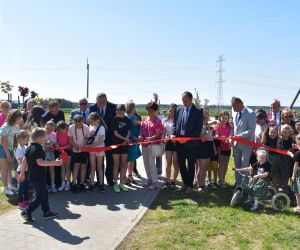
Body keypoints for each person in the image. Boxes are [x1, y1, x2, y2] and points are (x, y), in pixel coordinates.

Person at [19, 128, 62, 223]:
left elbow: (24, 161)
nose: (46, 138)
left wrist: (22, 173)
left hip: (33, 176)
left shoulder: (30, 147)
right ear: (40, 137)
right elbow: (40, 162)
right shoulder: (38, 149)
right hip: (37, 177)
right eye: (45, 136)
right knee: (40, 196)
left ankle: (46, 212)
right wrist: (55, 163)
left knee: (44, 194)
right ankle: (26, 211)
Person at [172, 91, 203, 194]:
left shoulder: (198, 111)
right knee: (181, 163)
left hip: (191, 143)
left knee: (191, 164)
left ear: (191, 100)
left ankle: (189, 185)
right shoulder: (179, 110)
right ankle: (185, 183)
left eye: (186, 101)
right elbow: (175, 124)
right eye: (183, 100)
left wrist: (188, 138)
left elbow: (197, 129)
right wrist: (173, 134)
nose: (184, 102)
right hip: (179, 141)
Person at [89, 93, 116, 186]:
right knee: (98, 162)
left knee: (109, 159)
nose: (100, 104)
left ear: (106, 100)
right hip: (96, 140)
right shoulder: (92, 108)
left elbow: (114, 123)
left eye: (103, 102)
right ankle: (99, 181)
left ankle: (109, 179)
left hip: (109, 138)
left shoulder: (113, 107)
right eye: (99, 102)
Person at [231, 97, 256, 186]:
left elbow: (251, 129)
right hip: (236, 144)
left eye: (234, 106)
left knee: (244, 166)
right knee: (237, 166)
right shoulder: (235, 113)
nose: (233, 109)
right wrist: (231, 138)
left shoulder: (251, 113)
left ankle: (244, 187)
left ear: (239, 104)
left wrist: (238, 137)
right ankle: (238, 185)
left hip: (246, 144)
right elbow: (233, 127)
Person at [140, 102, 164, 189]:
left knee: (151, 163)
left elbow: (158, 134)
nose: (150, 112)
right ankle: (149, 179)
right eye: (148, 110)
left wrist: (151, 138)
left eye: (152, 111)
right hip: (144, 145)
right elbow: (141, 131)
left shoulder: (158, 121)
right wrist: (140, 137)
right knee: (145, 162)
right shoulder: (144, 120)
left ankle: (155, 181)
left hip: (153, 145)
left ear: (156, 110)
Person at [0, 109, 23, 195]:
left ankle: (9, 185)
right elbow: (3, 142)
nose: (21, 119)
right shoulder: (5, 127)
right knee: (4, 169)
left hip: (10, 148)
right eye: (19, 117)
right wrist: (7, 153)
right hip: (3, 148)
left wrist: (15, 148)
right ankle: (5, 188)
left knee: (9, 167)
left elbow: (15, 138)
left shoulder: (16, 125)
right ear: (15, 118)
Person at [111, 104, 131, 193]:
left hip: (125, 146)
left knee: (123, 164)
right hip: (116, 145)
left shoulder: (128, 120)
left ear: (124, 111)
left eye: (122, 111)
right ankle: (115, 184)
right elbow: (115, 133)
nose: (121, 112)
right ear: (117, 111)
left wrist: (126, 139)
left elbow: (129, 131)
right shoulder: (115, 119)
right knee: (116, 165)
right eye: (119, 111)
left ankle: (121, 183)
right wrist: (125, 139)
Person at [85, 112, 107, 192]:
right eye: (90, 121)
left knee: (99, 167)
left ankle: (101, 184)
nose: (90, 123)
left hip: (99, 148)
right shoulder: (90, 126)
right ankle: (91, 184)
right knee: (92, 166)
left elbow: (100, 141)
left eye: (91, 121)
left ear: (97, 120)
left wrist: (89, 146)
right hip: (92, 150)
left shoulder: (101, 128)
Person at [68, 115, 90, 192]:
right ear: (74, 122)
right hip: (75, 150)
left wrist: (84, 145)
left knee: (83, 167)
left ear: (82, 121)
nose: (78, 125)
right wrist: (75, 145)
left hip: (84, 150)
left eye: (79, 123)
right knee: (76, 166)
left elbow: (87, 137)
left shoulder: (86, 127)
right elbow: (70, 139)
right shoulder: (71, 127)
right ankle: (74, 184)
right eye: (76, 123)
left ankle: (81, 183)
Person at [196, 109, 215, 191]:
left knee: (205, 168)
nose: (207, 114)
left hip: (209, 146)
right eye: (205, 113)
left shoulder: (207, 124)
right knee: (201, 167)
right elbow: (202, 139)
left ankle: (203, 185)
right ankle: (199, 185)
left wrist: (214, 147)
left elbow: (211, 138)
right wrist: (208, 130)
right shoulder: (201, 125)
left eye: (207, 112)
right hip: (203, 146)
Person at [162, 103, 179, 189]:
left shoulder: (178, 120)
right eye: (170, 111)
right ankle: (168, 181)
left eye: (173, 111)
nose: (172, 112)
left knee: (175, 163)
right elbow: (163, 133)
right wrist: (165, 137)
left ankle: (174, 181)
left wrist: (176, 137)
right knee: (168, 163)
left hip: (176, 143)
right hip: (168, 143)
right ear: (168, 111)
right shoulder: (165, 120)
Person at [126, 101, 142, 185]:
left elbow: (139, 126)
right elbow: (128, 130)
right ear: (132, 108)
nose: (135, 108)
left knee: (132, 159)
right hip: (131, 141)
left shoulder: (134, 116)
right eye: (134, 107)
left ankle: (130, 176)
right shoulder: (127, 117)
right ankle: (126, 176)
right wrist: (135, 138)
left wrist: (139, 135)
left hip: (135, 140)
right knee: (127, 159)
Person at [214, 111, 231, 188]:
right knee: (221, 164)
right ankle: (220, 180)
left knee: (226, 164)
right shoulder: (217, 126)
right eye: (223, 118)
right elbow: (216, 135)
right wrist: (219, 136)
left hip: (228, 148)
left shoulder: (230, 127)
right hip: (220, 148)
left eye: (226, 118)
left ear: (228, 119)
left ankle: (223, 178)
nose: (224, 119)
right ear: (220, 118)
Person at [277, 124, 294, 191]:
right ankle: (283, 186)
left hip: (289, 159)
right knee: (282, 173)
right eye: (284, 132)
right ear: (281, 132)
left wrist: (290, 150)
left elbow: (292, 148)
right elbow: (279, 149)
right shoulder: (280, 140)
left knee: (288, 173)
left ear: (290, 132)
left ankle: (288, 187)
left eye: (287, 132)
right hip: (281, 158)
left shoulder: (291, 139)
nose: (286, 134)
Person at [15, 130, 30, 210]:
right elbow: (21, 162)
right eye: (26, 139)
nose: (28, 140)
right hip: (22, 171)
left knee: (26, 186)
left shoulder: (25, 147)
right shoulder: (20, 149)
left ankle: (26, 200)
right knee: (21, 187)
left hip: (26, 171)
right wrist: (22, 173)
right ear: (21, 139)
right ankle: (21, 203)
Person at [56, 121, 72, 191]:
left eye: (61, 130)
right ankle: (63, 183)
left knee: (67, 167)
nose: (60, 132)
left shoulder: (69, 133)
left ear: (65, 128)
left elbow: (70, 144)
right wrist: (57, 145)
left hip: (68, 151)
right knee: (62, 167)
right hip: (61, 151)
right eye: (59, 130)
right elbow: (56, 141)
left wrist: (63, 148)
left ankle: (68, 183)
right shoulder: (57, 133)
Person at [44, 121, 58, 193]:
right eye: (48, 129)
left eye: (52, 130)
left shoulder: (54, 134)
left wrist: (54, 147)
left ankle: (53, 185)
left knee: (52, 169)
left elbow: (55, 143)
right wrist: (46, 146)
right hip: (44, 154)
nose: (50, 131)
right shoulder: (42, 133)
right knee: (44, 170)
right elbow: (41, 144)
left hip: (51, 153)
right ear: (45, 127)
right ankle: (45, 185)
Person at [291, 135, 300, 212]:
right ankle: (298, 205)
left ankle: (299, 206)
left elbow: (296, 165)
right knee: (297, 190)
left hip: (298, 173)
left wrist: (293, 175)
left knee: (297, 190)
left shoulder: (298, 153)